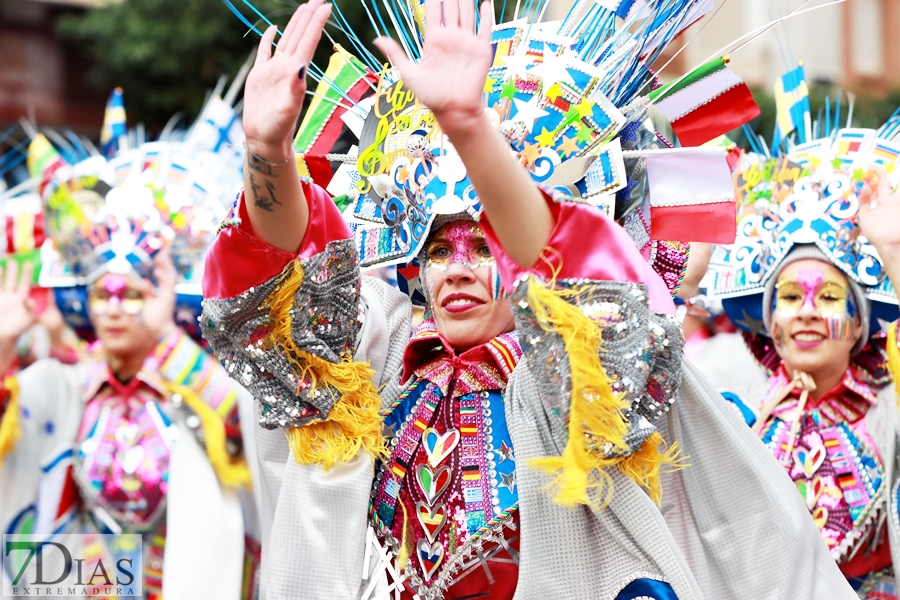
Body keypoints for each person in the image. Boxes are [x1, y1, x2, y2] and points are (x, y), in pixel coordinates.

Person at [201, 0, 856, 598]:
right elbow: (284, 294)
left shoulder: (574, 375)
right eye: (436, 249)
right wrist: (267, 154)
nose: (457, 268)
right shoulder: (378, 364)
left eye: (483, 246)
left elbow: (579, 291)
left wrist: (471, 134)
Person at [0, 133, 259, 600]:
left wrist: (164, 335)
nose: (114, 309)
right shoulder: (70, 386)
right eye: (102, 294)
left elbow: (246, 433)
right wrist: (3, 345)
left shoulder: (189, 377)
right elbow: (12, 438)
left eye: (131, 294)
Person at [713, 141, 900, 598]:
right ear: (770, 321)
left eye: (830, 297)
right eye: (791, 297)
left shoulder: (889, 416)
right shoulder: (738, 418)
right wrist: (690, 274)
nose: (807, 313)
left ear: (860, 323)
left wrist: (892, 252)